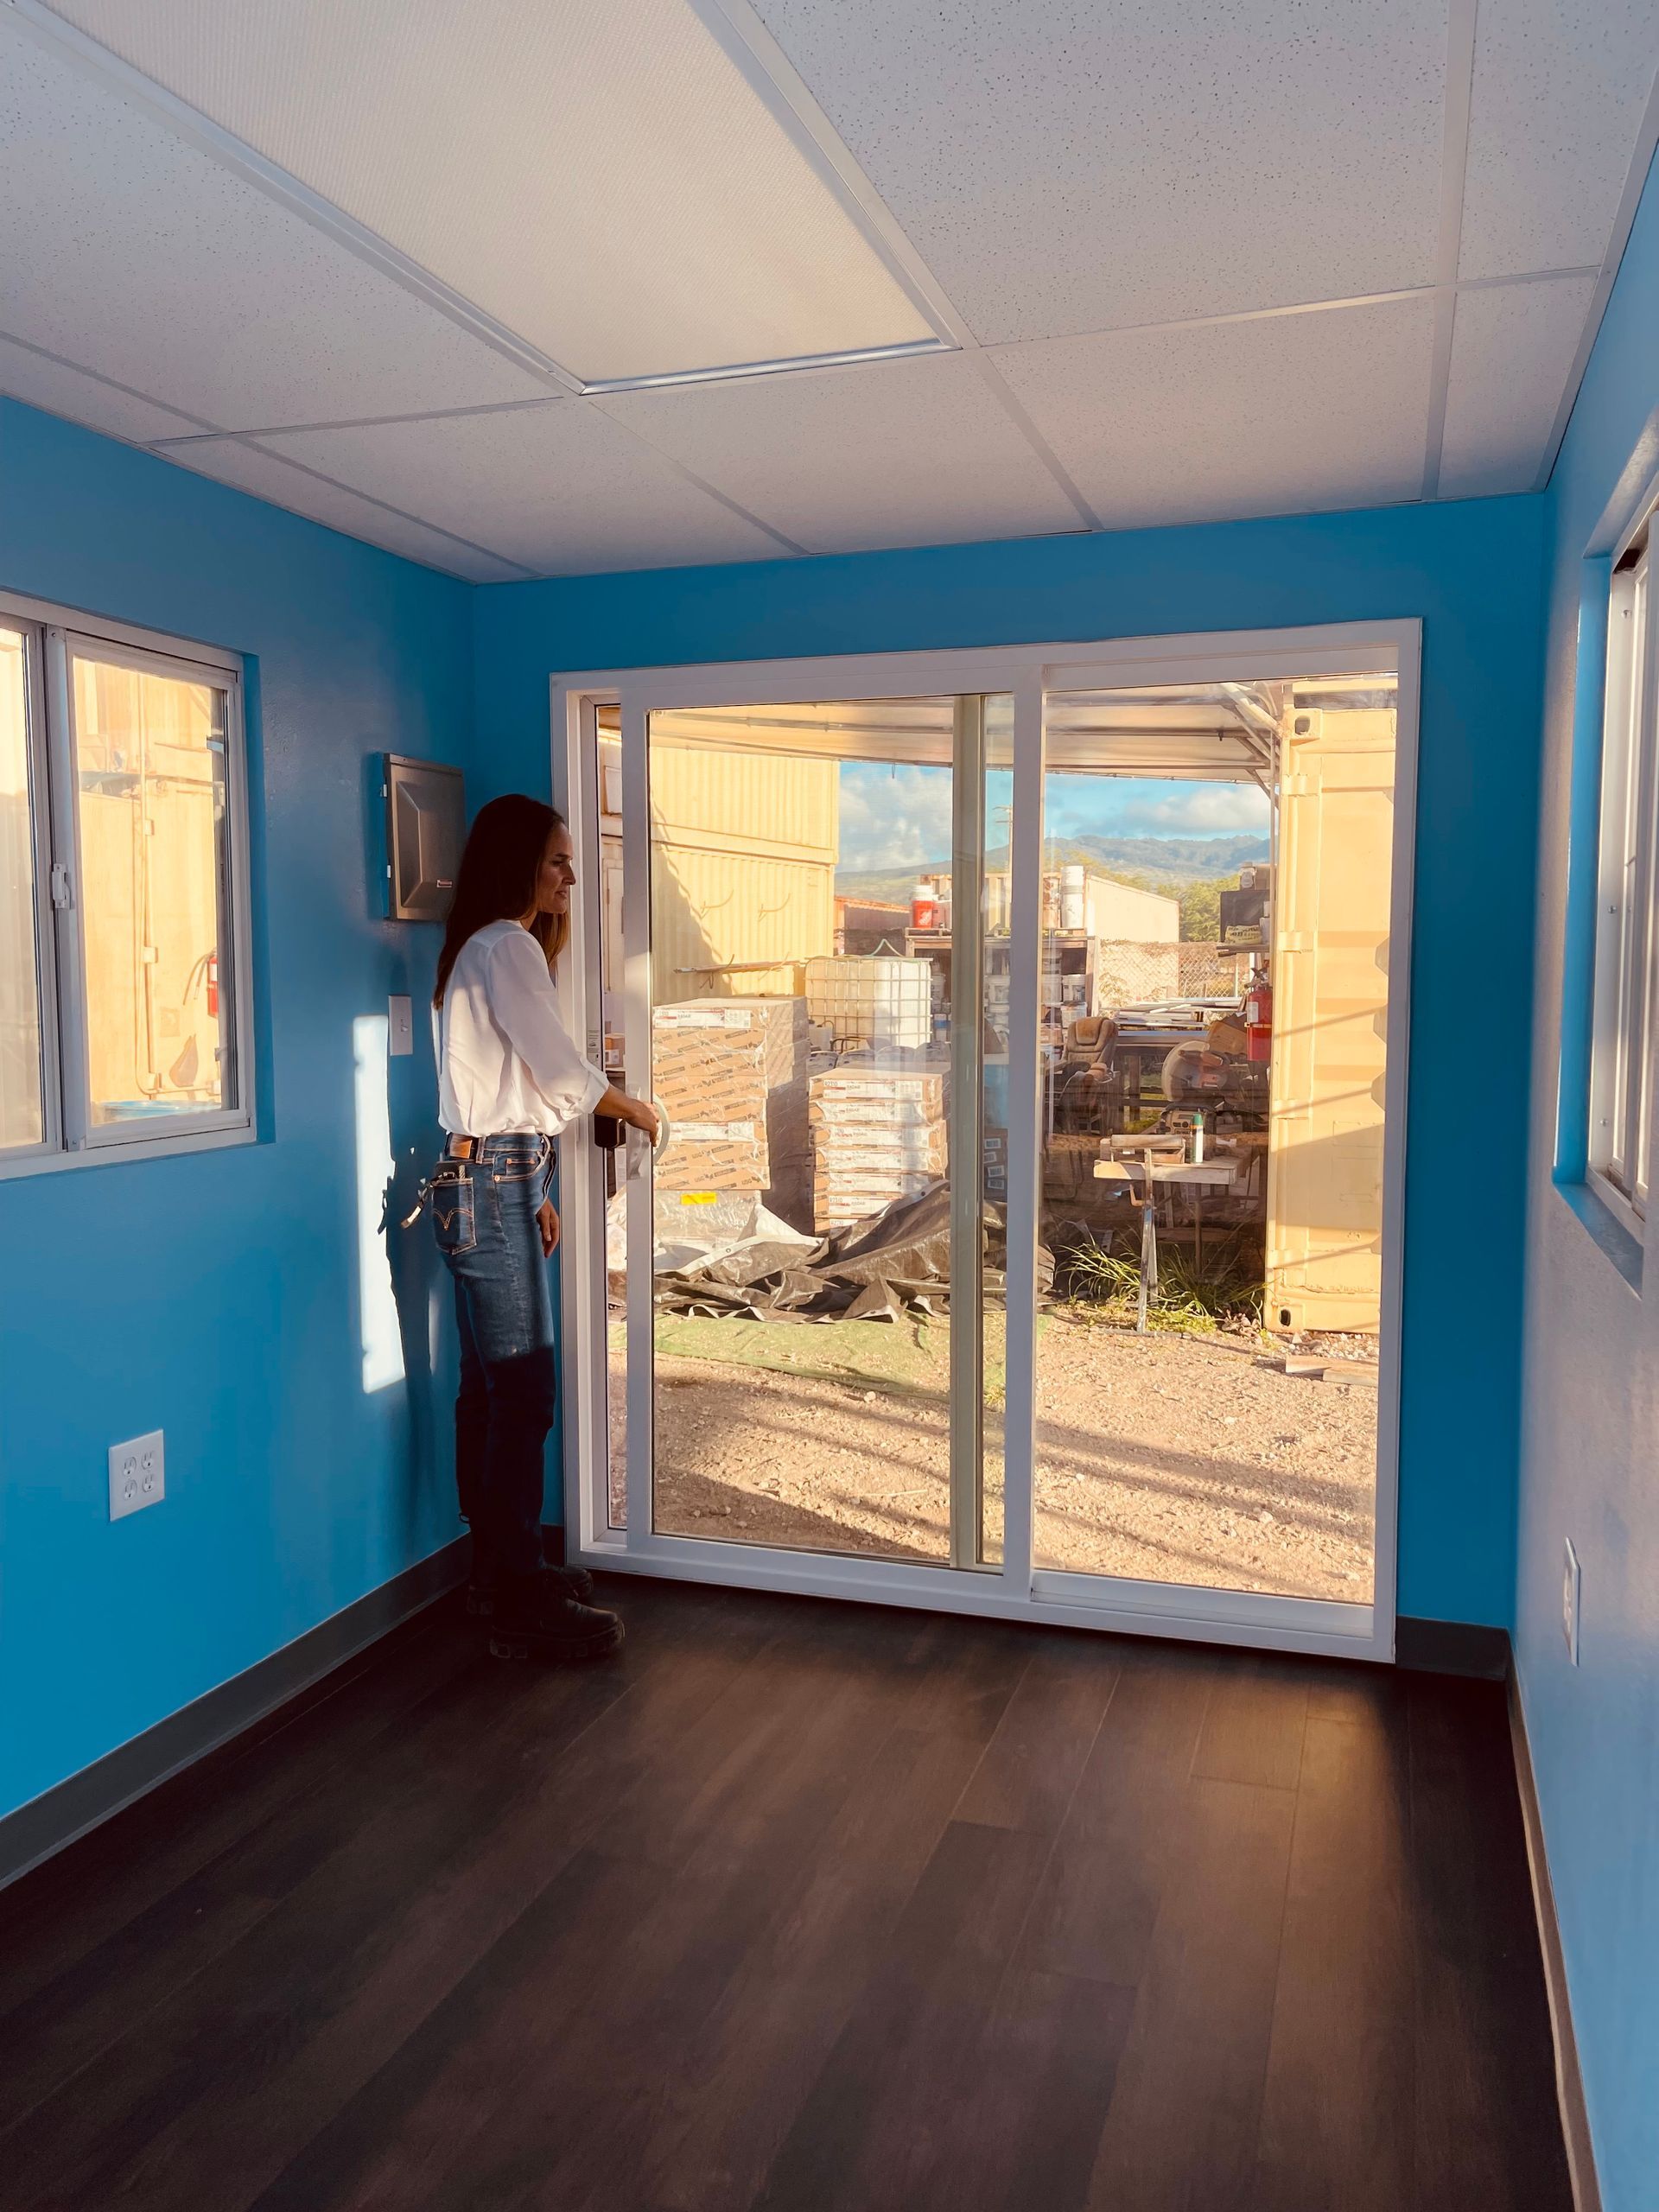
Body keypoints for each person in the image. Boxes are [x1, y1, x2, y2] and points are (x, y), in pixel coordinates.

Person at [427, 793, 658, 1660]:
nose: (570, 876)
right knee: (523, 1392)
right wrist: (635, 1107)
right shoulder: (507, 945)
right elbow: (557, 1068)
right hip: (493, 1182)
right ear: (518, 862)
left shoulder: (477, 948)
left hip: (485, 1177)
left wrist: (538, 1188)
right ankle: (518, 1594)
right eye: (558, 860)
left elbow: (505, 1088)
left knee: (491, 1392)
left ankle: (501, 1570)